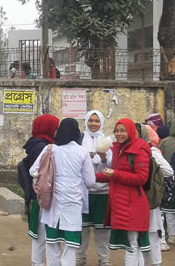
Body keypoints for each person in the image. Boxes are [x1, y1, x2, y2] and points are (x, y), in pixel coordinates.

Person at [30, 118, 95, 266]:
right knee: (69, 248)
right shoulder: (82, 152)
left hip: (52, 205)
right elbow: (90, 182)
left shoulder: (50, 149)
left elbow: (33, 170)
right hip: (73, 206)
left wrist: (47, 180)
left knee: (52, 244)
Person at [96, 118, 151, 266]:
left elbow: (141, 178)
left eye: (123, 131)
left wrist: (115, 174)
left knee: (132, 245)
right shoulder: (118, 149)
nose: (119, 134)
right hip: (122, 203)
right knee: (133, 245)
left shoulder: (139, 149)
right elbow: (113, 176)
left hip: (134, 204)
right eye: (117, 131)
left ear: (131, 131)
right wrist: (90, 177)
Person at [22, 114, 59, 266]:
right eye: (55, 127)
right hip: (42, 195)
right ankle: (37, 262)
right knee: (41, 231)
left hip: (37, 193)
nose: (57, 130)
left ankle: (36, 261)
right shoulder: (43, 146)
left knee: (39, 231)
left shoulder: (36, 143)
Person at [77, 110, 112, 266]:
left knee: (102, 229)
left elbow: (111, 167)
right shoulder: (79, 140)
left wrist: (104, 159)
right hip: (83, 191)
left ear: (102, 123)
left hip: (103, 192)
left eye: (97, 121)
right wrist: (86, 158)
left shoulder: (107, 141)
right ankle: (80, 257)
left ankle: (104, 259)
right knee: (82, 228)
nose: (93, 124)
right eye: (90, 120)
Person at [138, 123, 174, 264]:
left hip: (149, 199)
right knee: (139, 235)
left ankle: (155, 262)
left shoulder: (150, 152)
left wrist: (153, 178)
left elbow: (168, 171)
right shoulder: (130, 151)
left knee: (152, 233)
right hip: (136, 198)